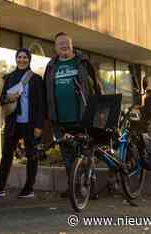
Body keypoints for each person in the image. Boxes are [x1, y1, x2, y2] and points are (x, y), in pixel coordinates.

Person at [44, 32, 102, 196]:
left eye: (66, 43)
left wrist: (98, 109)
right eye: (60, 43)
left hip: (82, 116)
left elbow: (96, 86)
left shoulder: (82, 62)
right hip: (60, 119)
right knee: (68, 155)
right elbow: (46, 90)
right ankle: (74, 188)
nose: (64, 46)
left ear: (72, 44)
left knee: (86, 153)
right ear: (55, 47)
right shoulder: (51, 66)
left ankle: (90, 188)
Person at [0, 48, 45, 198]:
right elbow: (1, 100)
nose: (22, 60)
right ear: (16, 59)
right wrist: (9, 98)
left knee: (32, 155)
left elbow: (41, 104)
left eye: (25, 57)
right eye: (19, 57)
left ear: (29, 59)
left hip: (30, 123)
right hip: (13, 122)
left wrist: (39, 125)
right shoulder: (9, 78)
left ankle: (29, 188)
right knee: (7, 155)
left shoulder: (35, 79)